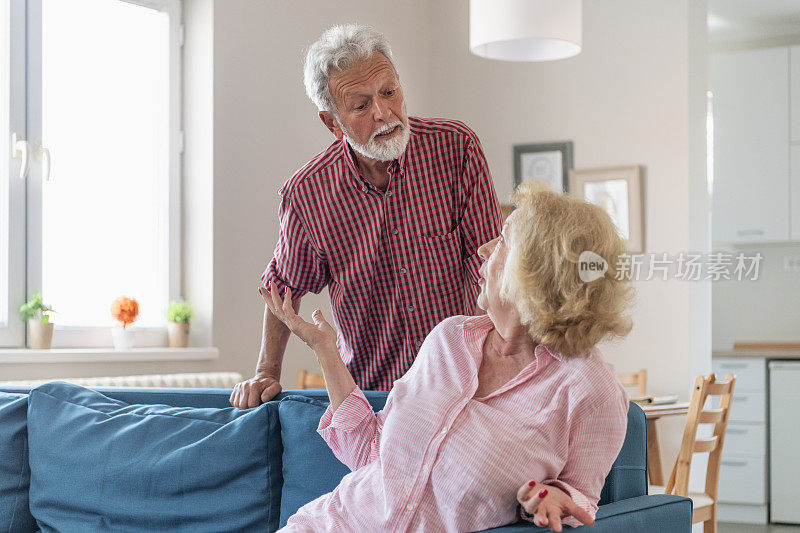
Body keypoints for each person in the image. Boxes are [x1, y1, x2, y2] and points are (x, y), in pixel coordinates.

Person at [262, 180, 634, 532]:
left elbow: (582, 499)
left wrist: (554, 496)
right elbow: (375, 453)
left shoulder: (589, 386)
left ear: (536, 273)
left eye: (502, 240)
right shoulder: (449, 339)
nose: (483, 249)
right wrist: (326, 350)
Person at [230, 24, 501, 408]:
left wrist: (482, 368)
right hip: (370, 399)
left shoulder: (456, 149)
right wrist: (265, 372)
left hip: (462, 391)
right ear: (332, 123)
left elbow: (491, 266)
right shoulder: (307, 194)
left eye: (389, 92)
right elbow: (282, 288)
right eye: (360, 105)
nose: (383, 113)